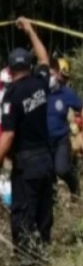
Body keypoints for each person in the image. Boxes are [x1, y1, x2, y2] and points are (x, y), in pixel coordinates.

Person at [0, 17, 54, 266]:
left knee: (23, 216)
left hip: (26, 164)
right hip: (46, 160)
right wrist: (30, 31)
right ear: (28, 66)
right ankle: (45, 259)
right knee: (43, 212)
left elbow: (7, 135)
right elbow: (45, 60)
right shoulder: (40, 82)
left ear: (8, 69)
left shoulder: (12, 95)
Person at [47, 57, 82, 198]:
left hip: (61, 139)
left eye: (63, 77)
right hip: (43, 141)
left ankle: (75, 187)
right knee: (47, 172)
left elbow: (81, 107)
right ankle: (52, 197)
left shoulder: (67, 93)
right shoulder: (40, 90)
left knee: (62, 170)